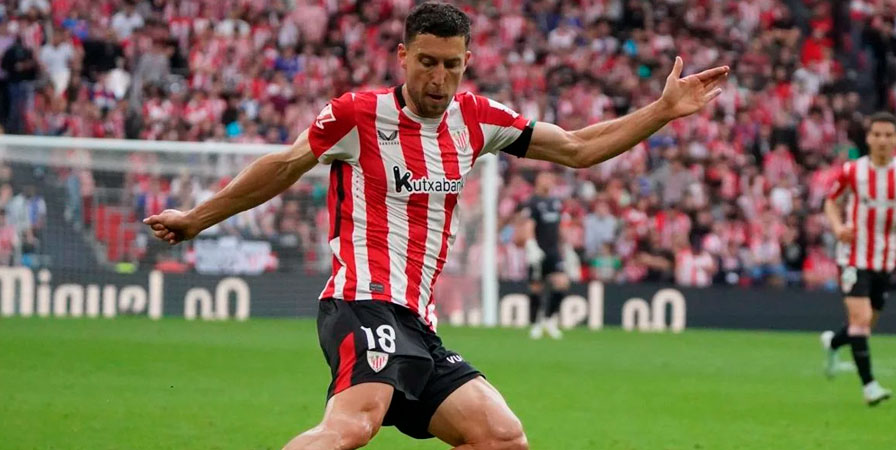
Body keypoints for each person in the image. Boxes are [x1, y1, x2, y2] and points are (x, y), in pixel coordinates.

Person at [143, 3, 728, 448]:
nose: (438, 78)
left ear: (466, 62)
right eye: (427, 62)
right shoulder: (358, 114)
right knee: (352, 426)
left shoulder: (477, 119)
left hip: (418, 323)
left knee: (501, 437)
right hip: (362, 302)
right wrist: (197, 219)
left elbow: (576, 147)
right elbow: (283, 166)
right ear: (403, 57)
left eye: (451, 65)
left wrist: (662, 111)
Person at [820, 112, 896, 406]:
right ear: (868, 138)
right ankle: (870, 387)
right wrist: (838, 227)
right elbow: (831, 201)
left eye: (888, 135)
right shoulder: (853, 171)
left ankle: (833, 342)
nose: (882, 140)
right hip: (853, 256)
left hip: (885, 258)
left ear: (895, 139)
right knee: (861, 320)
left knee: (865, 325)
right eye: (877, 134)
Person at [519, 171, 568, 339]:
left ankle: (549, 319)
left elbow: (558, 227)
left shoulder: (555, 202)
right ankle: (535, 324)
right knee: (536, 287)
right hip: (538, 251)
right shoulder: (532, 202)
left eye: (550, 178)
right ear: (538, 181)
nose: (549, 181)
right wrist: (531, 245)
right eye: (545, 178)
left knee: (562, 283)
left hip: (553, 251)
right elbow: (529, 225)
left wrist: (567, 247)